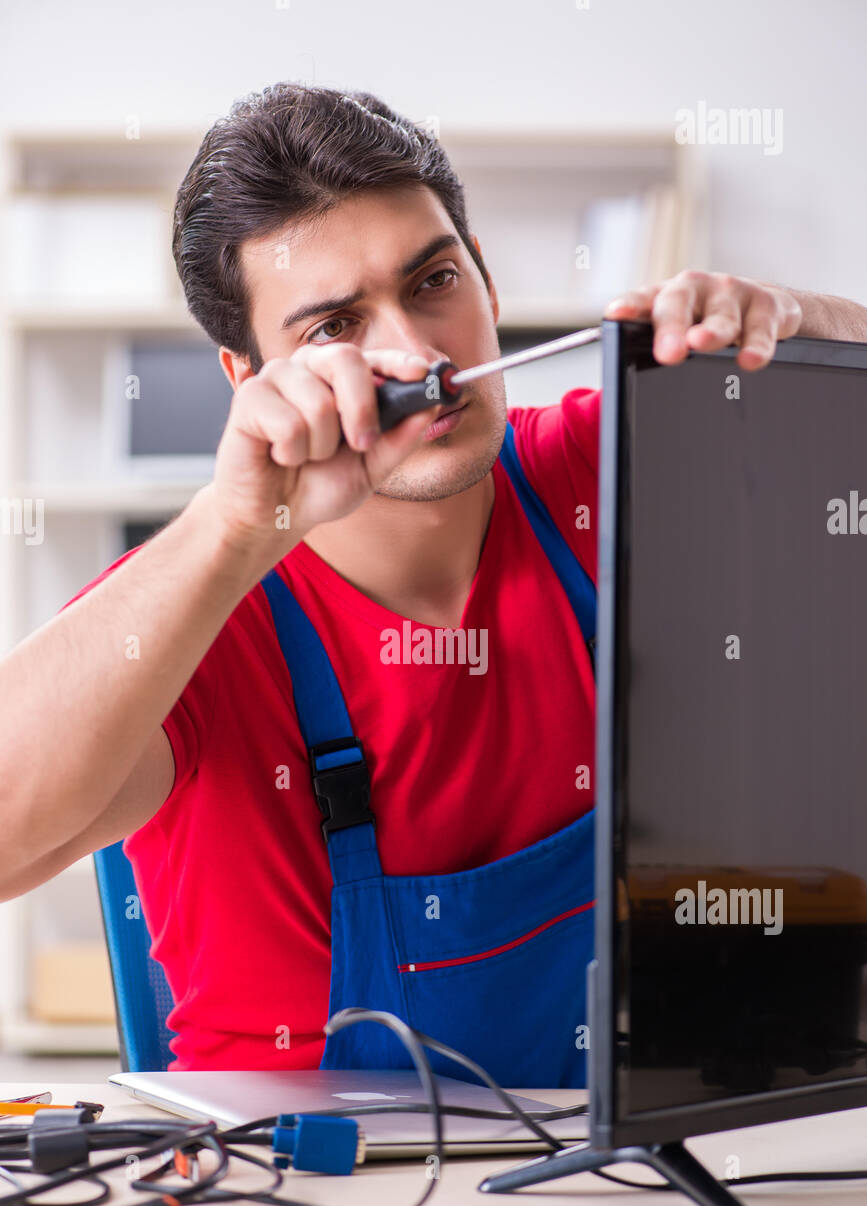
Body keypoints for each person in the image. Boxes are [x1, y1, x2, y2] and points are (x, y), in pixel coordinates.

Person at [2, 84, 865, 1080]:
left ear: (488, 287)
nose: (416, 355)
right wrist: (238, 526)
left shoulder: (606, 469)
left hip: (593, 1184)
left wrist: (799, 325)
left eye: (432, 281)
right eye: (334, 327)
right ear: (249, 378)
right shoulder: (195, 604)